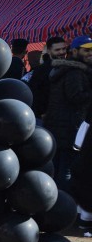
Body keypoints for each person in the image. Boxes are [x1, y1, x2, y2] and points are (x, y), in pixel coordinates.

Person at [43, 35, 92, 191]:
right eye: (86, 50)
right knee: (66, 170)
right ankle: (62, 201)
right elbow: (75, 97)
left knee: (58, 167)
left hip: (60, 126)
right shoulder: (75, 72)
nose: (90, 53)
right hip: (69, 127)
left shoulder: (66, 69)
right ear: (75, 51)